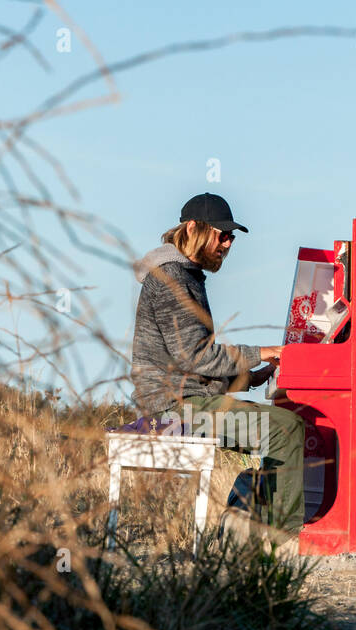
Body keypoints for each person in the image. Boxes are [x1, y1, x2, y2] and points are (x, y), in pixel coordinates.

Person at [129, 192, 305, 545]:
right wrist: (264, 351)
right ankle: (283, 542)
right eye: (220, 235)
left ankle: (251, 528)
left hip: (184, 404)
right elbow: (196, 357)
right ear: (192, 228)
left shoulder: (186, 275)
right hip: (173, 413)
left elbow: (194, 368)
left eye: (231, 237)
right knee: (286, 430)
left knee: (278, 430)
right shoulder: (171, 278)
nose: (227, 244)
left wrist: (254, 376)